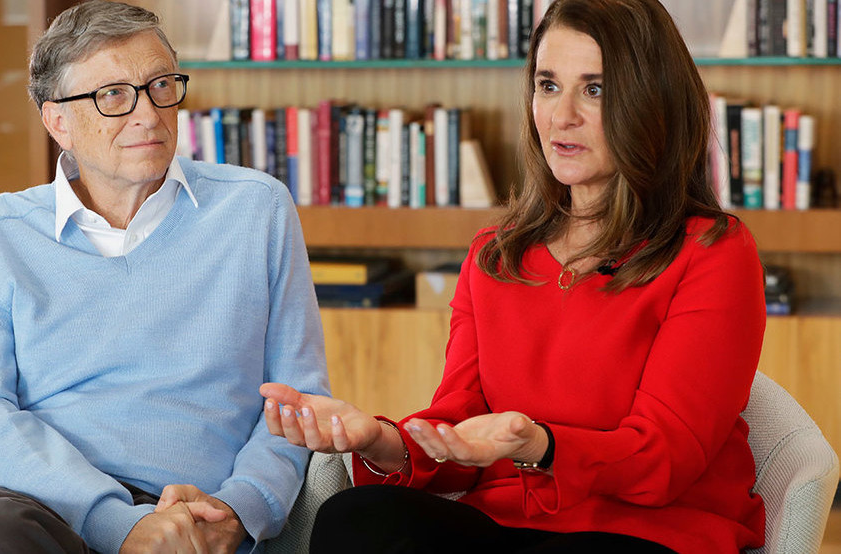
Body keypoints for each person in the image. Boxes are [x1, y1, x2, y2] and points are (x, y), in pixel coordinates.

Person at [260, 0, 766, 552]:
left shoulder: (713, 251)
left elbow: (665, 456)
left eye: (595, 89)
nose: (561, 116)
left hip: (649, 532)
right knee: (355, 518)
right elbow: (459, 429)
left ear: (653, 102)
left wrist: (541, 446)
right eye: (548, 85)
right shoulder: (494, 255)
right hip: (508, 525)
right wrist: (380, 440)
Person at [0, 2, 329, 553]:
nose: (148, 114)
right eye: (113, 95)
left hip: (189, 511)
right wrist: (116, 522)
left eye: (161, 85)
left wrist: (239, 508)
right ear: (58, 122)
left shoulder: (257, 209)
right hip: (21, 506)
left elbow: (298, 400)